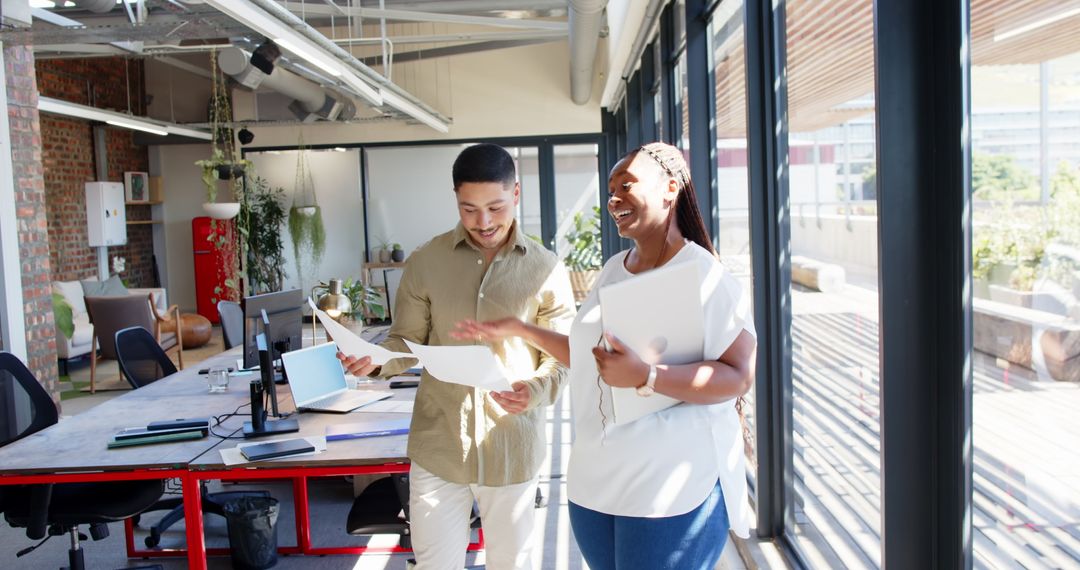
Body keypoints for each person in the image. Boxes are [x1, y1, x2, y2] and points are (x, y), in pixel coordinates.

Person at [452, 142, 757, 570]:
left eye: (627, 186)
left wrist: (647, 375)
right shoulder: (615, 267)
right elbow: (590, 355)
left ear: (671, 188)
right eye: (611, 190)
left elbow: (738, 375)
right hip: (597, 481)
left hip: (670, 486)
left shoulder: (704, 275)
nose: (613, 199)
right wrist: (522, 329)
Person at [338, 143, 575, 570]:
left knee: (513, 565)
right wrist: (372, 359)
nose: (483, 223)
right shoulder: (426, 262)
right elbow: (404, 342)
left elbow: (563, 356)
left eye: (496, 207)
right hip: (439, 446)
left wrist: (535, 390)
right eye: (469, 210)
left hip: (512, 444)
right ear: (456, 199)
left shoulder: (545, 267)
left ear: (516, 194)